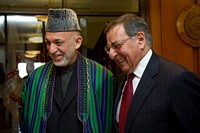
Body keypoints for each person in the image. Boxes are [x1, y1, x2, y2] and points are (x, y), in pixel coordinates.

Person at [20, 8, 115, 133]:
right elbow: (24, 121)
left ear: (77, 42)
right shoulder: (35, 78)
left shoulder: (102, 77)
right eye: (48, 43)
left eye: (58, 42)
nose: (51, 50)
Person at [104, 13, 200, 133]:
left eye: (117, 45)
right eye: (109, 49)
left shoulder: (177, 79)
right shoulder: (122, 80)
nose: (111, 55)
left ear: (140, 40)